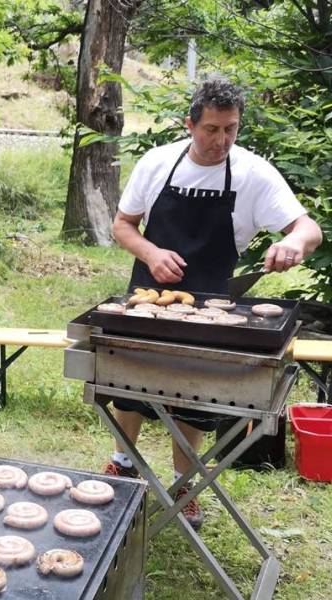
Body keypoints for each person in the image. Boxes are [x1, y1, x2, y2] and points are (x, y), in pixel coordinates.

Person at [108, 76, 322, 530]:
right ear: (190, 124)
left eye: (231, 129)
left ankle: (184, 485)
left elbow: (309, 230)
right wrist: (150, 252)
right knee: (129, 384)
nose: (221, 140)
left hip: (215, 305)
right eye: (211, 129)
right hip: (150, 295)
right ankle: (122, 465)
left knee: (194, 393)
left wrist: (293, 246)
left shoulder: (253, 173)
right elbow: (122, 224)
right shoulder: (157, 163)